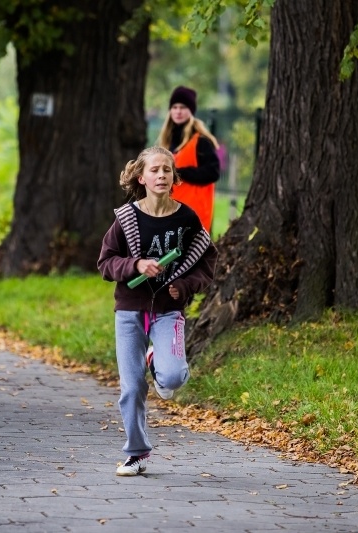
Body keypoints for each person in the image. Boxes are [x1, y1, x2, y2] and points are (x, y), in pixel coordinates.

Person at [97, 146, 218, 477]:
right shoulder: (126, 219)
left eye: (167, 170)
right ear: (142, 177)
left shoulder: (187, 218)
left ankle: (157, 359)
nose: (161, 175)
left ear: (174, 177)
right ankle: (136, 454)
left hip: (169, 311)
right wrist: (135, 264)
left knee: (173, 377)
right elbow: (105, 263)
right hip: (130, 312)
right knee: (132, 387)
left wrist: (186, 285)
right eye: (154, 170)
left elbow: (207, 259)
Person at [157, 85, 221, 233]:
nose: (178, 111)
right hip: (171, 211)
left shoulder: (200, 141)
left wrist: (180, 172)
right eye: (174, 107)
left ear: (191, 111)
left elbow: (213, 172)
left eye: (183, 107)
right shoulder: (168, 142)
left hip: (194, 214)